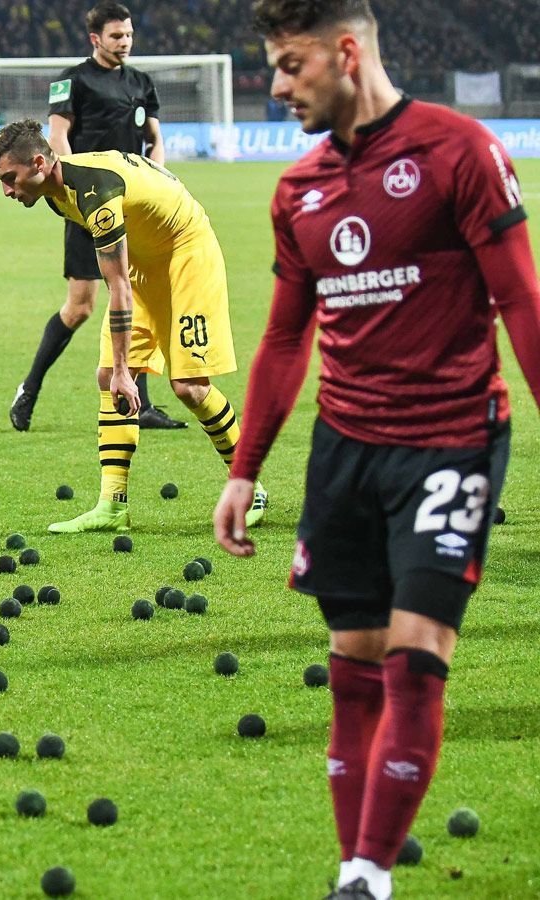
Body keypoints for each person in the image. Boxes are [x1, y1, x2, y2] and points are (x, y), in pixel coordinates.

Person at [218, 2, 540, 897]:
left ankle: (366, 874)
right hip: (345, 449)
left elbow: (521, 304)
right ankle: (355, 866)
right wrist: (244, 469)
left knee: (415, 651)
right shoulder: (298, 190)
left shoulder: (459, 151)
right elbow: (286, 342)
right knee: (352, 664)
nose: (277, 86)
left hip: (451, 441)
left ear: (346, 52)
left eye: (290, 65)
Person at [0, 120, 269, 533]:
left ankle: (250, 488)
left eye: (9, 178)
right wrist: (118, 369)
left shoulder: (94, 192)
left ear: (40, 163)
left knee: (189, 387)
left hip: (187, 254)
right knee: (107, 376)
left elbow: (117, 287)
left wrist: (125, 369)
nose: (7, 190)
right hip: (145, 259)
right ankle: (112, 505)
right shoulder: (56, 193)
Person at [10, 1, 185, 432]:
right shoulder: (72, 82)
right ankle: (29, 387)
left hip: (134, 207)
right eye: (116, 36)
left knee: (136, 297)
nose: (124, 43)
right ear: (95, 39)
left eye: (128, 35)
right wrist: (77, 190)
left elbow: (154, 141)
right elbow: (57, 137)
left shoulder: (141, 83)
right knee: (81, 306)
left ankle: (141, 402)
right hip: (89, 205)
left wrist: (158, 175)